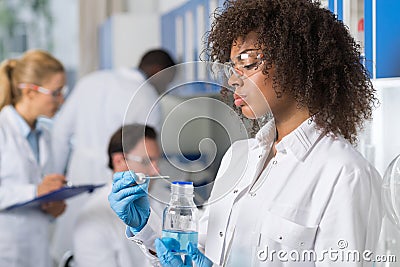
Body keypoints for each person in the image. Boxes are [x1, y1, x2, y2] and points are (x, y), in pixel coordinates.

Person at [108, 0, 382, 266]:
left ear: (296, 63)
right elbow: (197, 251)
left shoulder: (345, 173)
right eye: (231, 66)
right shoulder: (239, 155)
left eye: (248, 63)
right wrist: (146, 228)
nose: (233, 78)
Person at [50, 49, 175, 262]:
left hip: (79, 178)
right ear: (158, 72)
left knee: (73, 251)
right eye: (168, 81)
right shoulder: (146, 95)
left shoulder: (91, 81)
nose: (167, 88)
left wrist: (55, 184)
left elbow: (60, 134)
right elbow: (147, 149)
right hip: (124, 180)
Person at [0, 49, 67, 267]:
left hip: (38, 249)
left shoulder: (44, 135)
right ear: (30, 92)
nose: (61, 99)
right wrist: (35, 191)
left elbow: (42, 191)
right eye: (55, 92)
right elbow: (33, 189)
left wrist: (52, 206)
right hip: (6, 251)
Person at [73, 124, 164, 267]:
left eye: (157, 161)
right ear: (119, 161)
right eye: (147, 161)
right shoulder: (93, 217)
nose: (156, 171)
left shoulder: (161, 201)